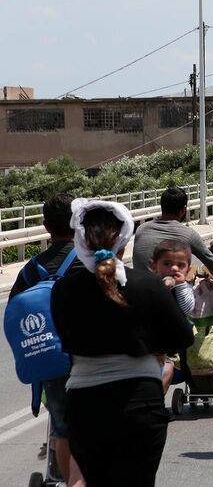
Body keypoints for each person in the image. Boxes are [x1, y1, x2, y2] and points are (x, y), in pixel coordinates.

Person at [51, 200, 193, 486]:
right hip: (140, 402)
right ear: (125, 241)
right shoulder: (148, 284)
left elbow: (67, 340)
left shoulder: (63, 289)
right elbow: (183, 337)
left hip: (85, 403)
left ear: (80, 239)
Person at [7, 194, 85, 487]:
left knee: (62, 425)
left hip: (51, 360)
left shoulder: (31, 269)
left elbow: (15, 312)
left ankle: (64, 478)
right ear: (78, 224)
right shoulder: (88, 261)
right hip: (89, 355)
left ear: (44, 225)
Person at [132, 186, 213, 285]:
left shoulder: (141, 229)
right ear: (183, 210)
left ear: (162, 207)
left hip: (137, 291)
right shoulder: (188, 234)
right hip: (166, 295)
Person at [147, 239, 196, 393]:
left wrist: (181, 286)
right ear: (153, 266)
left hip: (175, 341)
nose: (174, 268)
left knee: (168, 368)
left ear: (188, 270)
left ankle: (157, 400)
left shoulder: (185, 288)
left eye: (180, 265)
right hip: (152, 340)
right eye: (167, 264)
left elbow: (188, 308)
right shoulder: (149, 285)